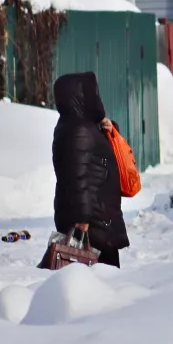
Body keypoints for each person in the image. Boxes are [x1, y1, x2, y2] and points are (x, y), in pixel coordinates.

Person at [52, 71, 128, 267]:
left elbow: (98, 158)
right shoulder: (79, 130)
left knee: (101, 279)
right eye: (91, 93)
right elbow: (77, 178)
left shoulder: (80, 126)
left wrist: (111, 129)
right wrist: (82, 220)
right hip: (91, 224)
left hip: (97, 219)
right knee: (102, 281)